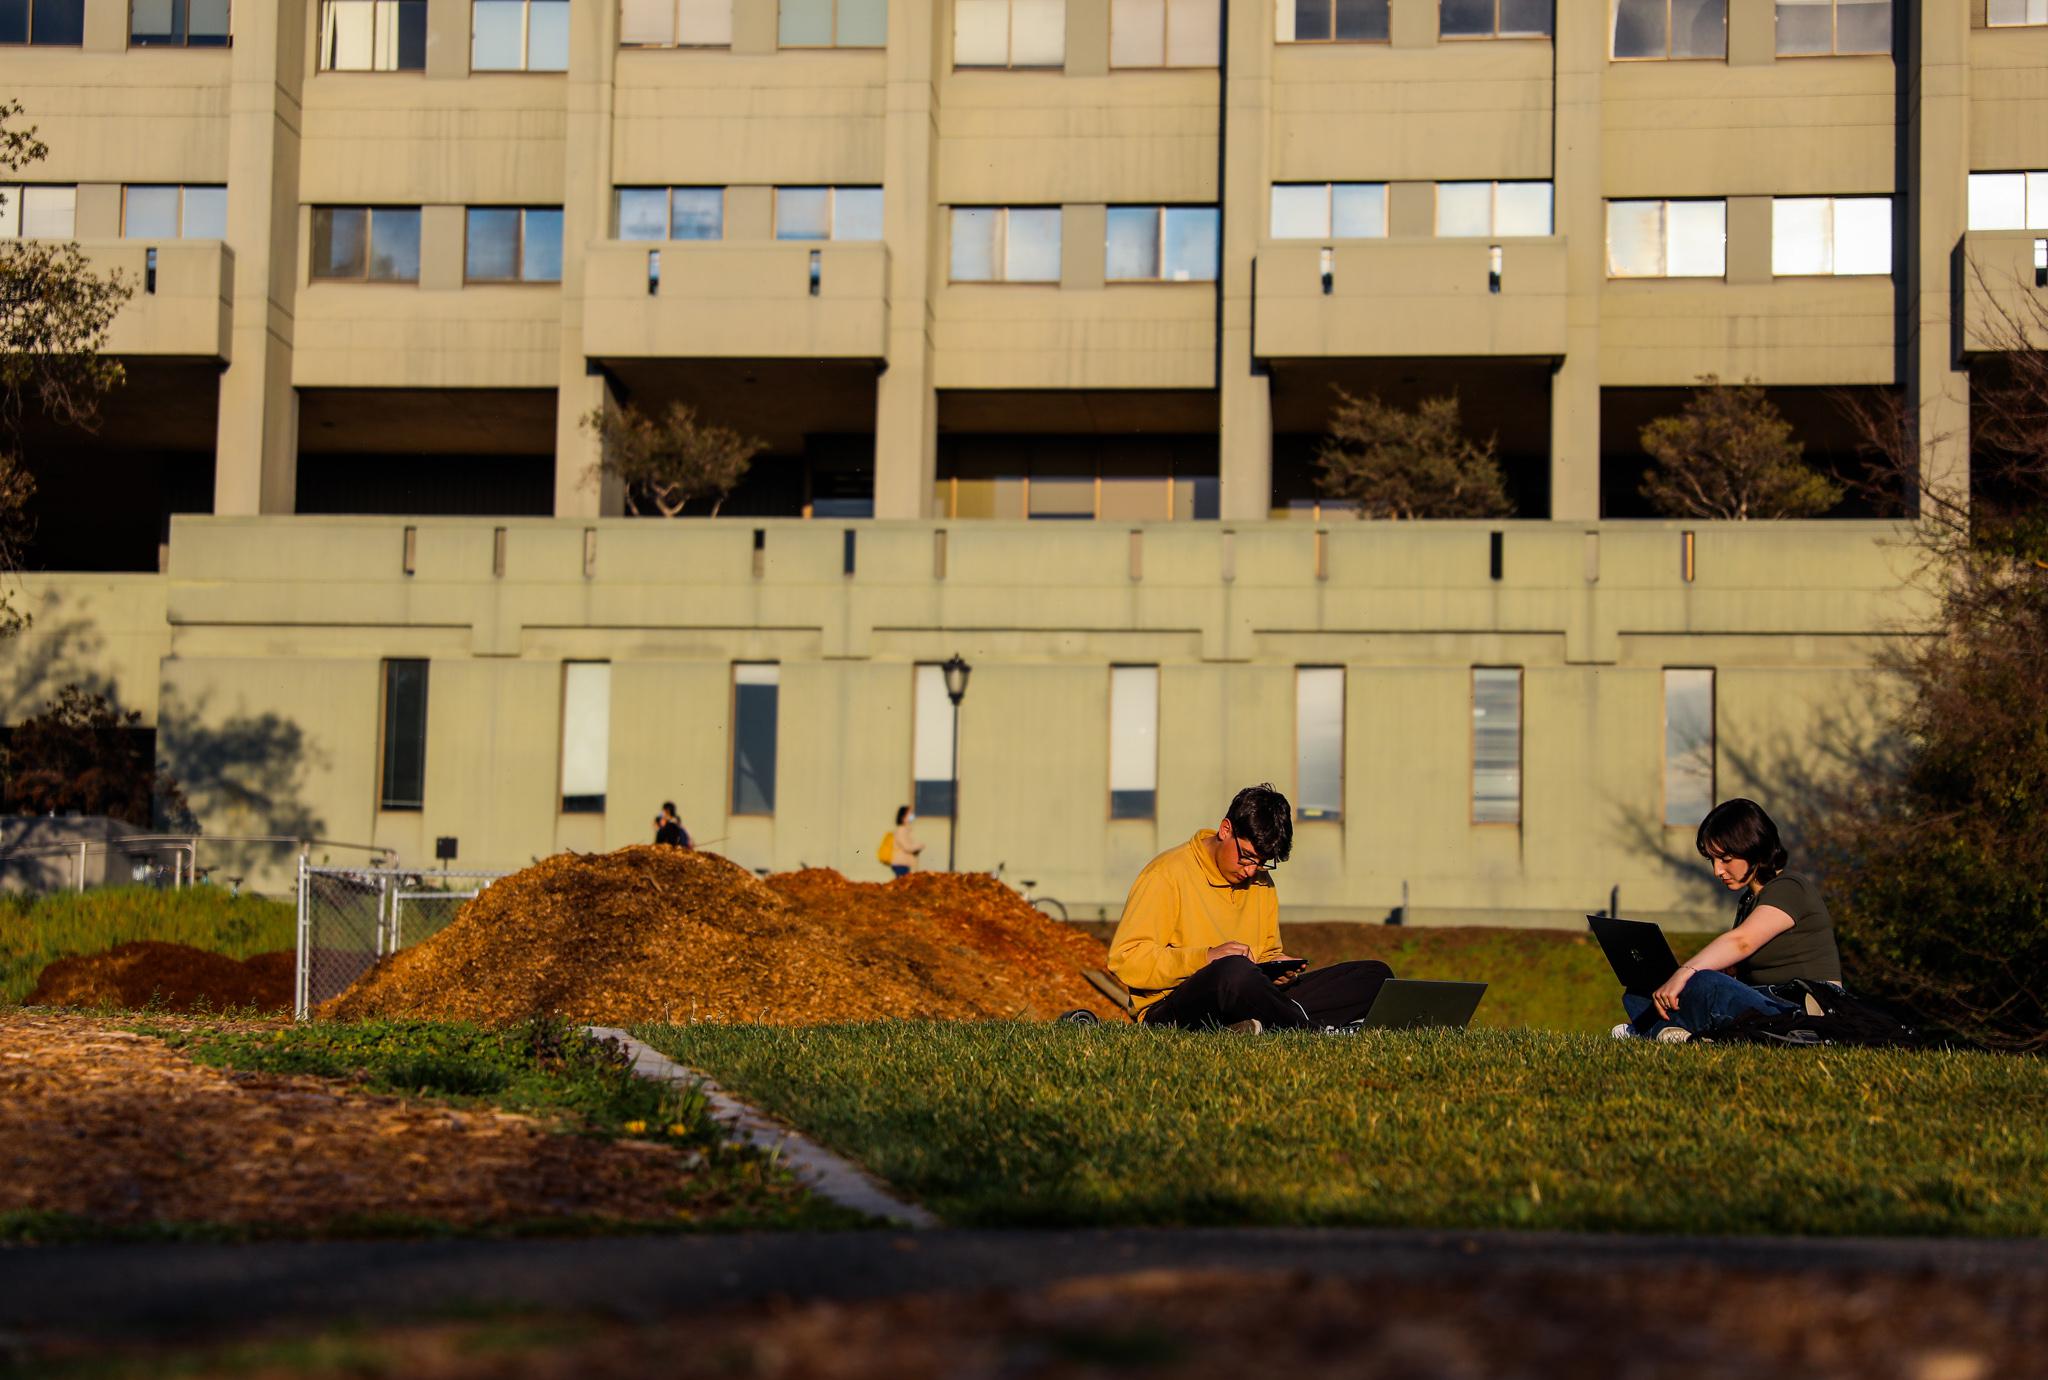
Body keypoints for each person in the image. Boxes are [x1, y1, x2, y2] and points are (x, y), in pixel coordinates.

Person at [1108, 783, 1395, 1034]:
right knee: (1232, 972)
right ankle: (1309, 1030)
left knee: (1374, 975)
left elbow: (1264, 953)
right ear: (1225, 829)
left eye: (1262, 862)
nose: (1250, 871)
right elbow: (1126, 960)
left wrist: (1278, 967)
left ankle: (1267, 1024)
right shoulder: (1166, 874)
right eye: (1246, 857)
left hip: (1249, 994)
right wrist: (1206, 958)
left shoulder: (1260, 881)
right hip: (1172, 1009)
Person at [1611, 797, 1842, 1043]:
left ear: (1753, 847)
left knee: (1706, 984)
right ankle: (1670, 1032)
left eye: (1726, 859)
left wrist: (1685, 973)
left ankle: (1656, 1030)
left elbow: (1742, 942)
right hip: (1764, 1000)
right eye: (1713, 860)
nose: (1717, 871)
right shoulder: (1748, 902)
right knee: (1640, 991)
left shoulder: (1790, 887)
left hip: (1800, 1010)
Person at [888, 805, 923, 878]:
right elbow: (907, 847)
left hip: (904, 863)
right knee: (902, 885)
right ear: (903, 817)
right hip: (901, 864)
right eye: (910, 814)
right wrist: (919, 846)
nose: (912, 816)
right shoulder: (901, 830)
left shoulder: (905, 830)